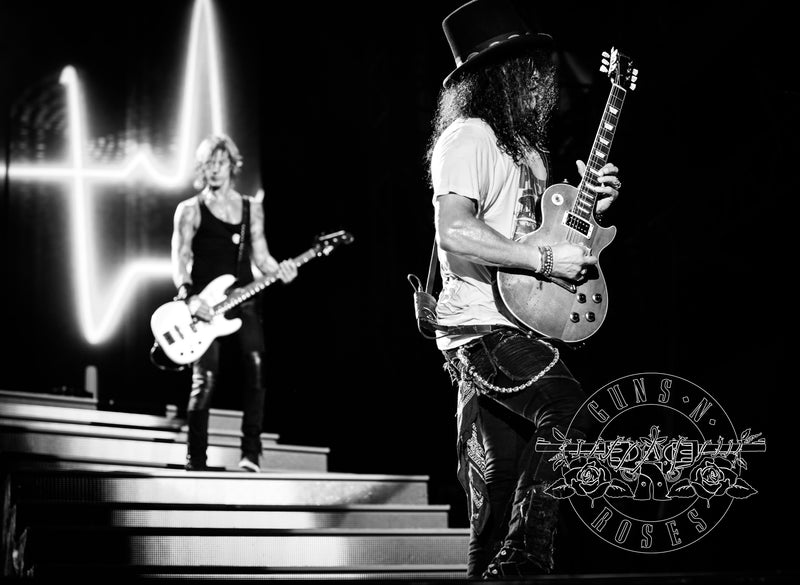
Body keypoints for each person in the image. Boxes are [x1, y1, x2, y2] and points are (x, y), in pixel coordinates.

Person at [425, 0, 622, 579]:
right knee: (571, 413)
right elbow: (455, 230)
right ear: (503, 75)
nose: (543, 83)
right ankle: (526, 558)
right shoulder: (469, 138)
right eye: (532, 71)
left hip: (520, 325)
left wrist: (588, 209)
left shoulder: (526, 153)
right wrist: (546, 258)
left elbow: (533, 234)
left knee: (494, 498)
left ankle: (502, 563)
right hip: (482, 328)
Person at [171, 133, 298, 472]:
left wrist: (283, 270)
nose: (215, 169)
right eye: (209, 164)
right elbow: (180, 258)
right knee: (205, 379)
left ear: (231, 166)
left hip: (243, 298)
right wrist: (189, 296)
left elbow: (263, 257)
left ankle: (251, 455)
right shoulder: (189, 210)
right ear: (202, 168)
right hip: (203, 305)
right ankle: (196, 458)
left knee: (256, 367)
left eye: (221, 163)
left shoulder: (250, 207)